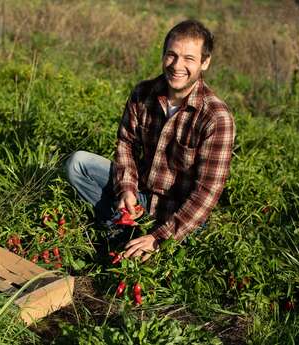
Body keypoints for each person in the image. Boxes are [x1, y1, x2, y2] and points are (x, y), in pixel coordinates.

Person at [65, 19, 235, 262]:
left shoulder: (216, 117)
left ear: (204, 62)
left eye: (189, 58)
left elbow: (207, 192)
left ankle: (137, 241)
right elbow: (126, 144)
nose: (177, 65)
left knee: (179, 250)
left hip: (179, 214)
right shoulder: (142, 94)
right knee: (78, 163)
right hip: (142, 198)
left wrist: (160, 238)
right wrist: (126, 189)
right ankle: (122, 231)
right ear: (163, 55)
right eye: (171, 55)